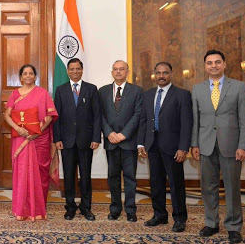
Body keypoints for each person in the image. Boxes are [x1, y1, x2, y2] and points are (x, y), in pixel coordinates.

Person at [191, 50, 245, 244]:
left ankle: (234, 227)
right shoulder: (197, 89)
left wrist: (243, 145)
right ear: (205, 66)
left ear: (225, 64)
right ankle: (211, 223)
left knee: (233, 187)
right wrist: (194, 144)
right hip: (206, 144)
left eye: (218, 62)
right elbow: (195, 120)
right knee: (208, 187)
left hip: (231, 145)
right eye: (209, 63)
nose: (214, 66)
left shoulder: (239, 87)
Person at [138, 62, 192, 232]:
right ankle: (159, 215)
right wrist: (141, 143)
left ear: (171, 74)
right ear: (154, 75)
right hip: (152, 146)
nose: (161, 76)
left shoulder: (182, 95)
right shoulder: (147, 95)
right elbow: (144, 121)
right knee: (156, 183)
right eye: (158, 73)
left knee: (176, 184)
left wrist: (183, 148)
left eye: (165, 73)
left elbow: (186, 124)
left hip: (173, 148)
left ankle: (179, 218)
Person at [4, 64, 58, 221]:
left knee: (39, 174)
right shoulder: (15, 94)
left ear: (35, 76)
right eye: (25, 73)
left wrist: (36, 132)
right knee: (21, 173)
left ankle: (38, 209)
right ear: (20, 77)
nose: (28, 76)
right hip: (20, 139)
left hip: (38, 139)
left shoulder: (43, 94)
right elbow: (7, 115)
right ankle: (20, 209)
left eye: (31, 73)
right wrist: (18, 129)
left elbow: (49, 116)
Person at [53, 58, 101, 221]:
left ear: (82, 70)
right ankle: (70, 207)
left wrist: (96, 138)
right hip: (66, 141)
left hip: (86, 141)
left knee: (86, 176)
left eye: (77, 69)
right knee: (68, 176)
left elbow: (97, 116)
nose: (74, 71)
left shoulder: (91, 89)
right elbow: (56, 116)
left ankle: (86, 208)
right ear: (67, 71)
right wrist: (57, 138)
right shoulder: (60, 90)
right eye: (71, 69)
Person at [100, 60, 142, 222]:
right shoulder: (102, 91)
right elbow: (100, 115)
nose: (118, 72)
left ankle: (131, 210)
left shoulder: (137, 91)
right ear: (112, 72)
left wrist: (124, 134)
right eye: (115, 69)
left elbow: (138, 114)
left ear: (127, 72)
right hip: (111, 142)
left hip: (128, 141)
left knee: (130, 177)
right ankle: (115, 209)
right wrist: (109, 133)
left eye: (122, 69)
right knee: (113, 177)